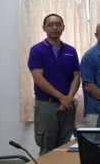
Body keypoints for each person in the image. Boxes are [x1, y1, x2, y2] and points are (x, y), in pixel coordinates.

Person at [28, 14, 80, 155]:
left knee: (65, 147)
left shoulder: (71, 51)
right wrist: (62, 98)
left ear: (63, 27)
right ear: (44, 28)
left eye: (58, 24)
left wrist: (68, 98)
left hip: (67, 106)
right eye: (50, 25)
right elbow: (38, 79)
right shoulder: (37, 50)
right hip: (47, 104)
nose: (55, 27)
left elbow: (76, 76)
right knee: (47, 148)